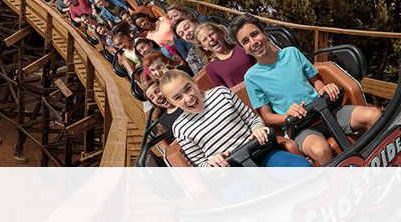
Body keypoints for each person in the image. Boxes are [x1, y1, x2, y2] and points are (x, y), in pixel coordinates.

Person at [229, 14, 382, 166]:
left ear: (265, 34)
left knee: (374, 115)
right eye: (246, 41)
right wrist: (287, 115)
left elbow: (315, 81)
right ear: (245, 50)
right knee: (320, 150)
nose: (253, 42)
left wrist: (325, 89)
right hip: (301, 127)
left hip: (326, 111)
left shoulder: (291, 53)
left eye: (254, 34)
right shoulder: (252, 77)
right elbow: (267, 116)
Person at [159, 69, 310, 168]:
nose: (188, 98)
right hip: (233, 173)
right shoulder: (181, 128)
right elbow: (200, 165)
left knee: (301, 167)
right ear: (172, 103)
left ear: (194, 83)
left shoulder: (221, 94)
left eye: (188, 88)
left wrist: (257, 128)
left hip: (260, 153)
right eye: (178, 98)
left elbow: (252, 120)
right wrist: (212, 163)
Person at [195, 22, 255, 88]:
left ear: (220, 33)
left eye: (211, 34)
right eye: (205, 39)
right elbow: (225, 92)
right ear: (204, 47)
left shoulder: (241, 46)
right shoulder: (211, 68)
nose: (210, 39)